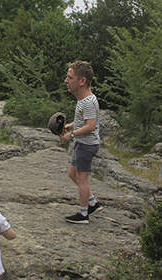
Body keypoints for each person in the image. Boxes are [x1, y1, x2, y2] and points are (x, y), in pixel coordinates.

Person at [61, 60, 102, 224]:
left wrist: (71, 135)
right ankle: (92, 203)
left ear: (82, 81)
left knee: (82, 179)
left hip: (87, 145)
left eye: (70, 77)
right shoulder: (83, 100)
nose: (66, 80)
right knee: (72, 174)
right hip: (82, 143)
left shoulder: (89, 101)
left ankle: (84, 214)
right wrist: (70, 125)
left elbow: (91, 126)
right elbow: (85, 121)